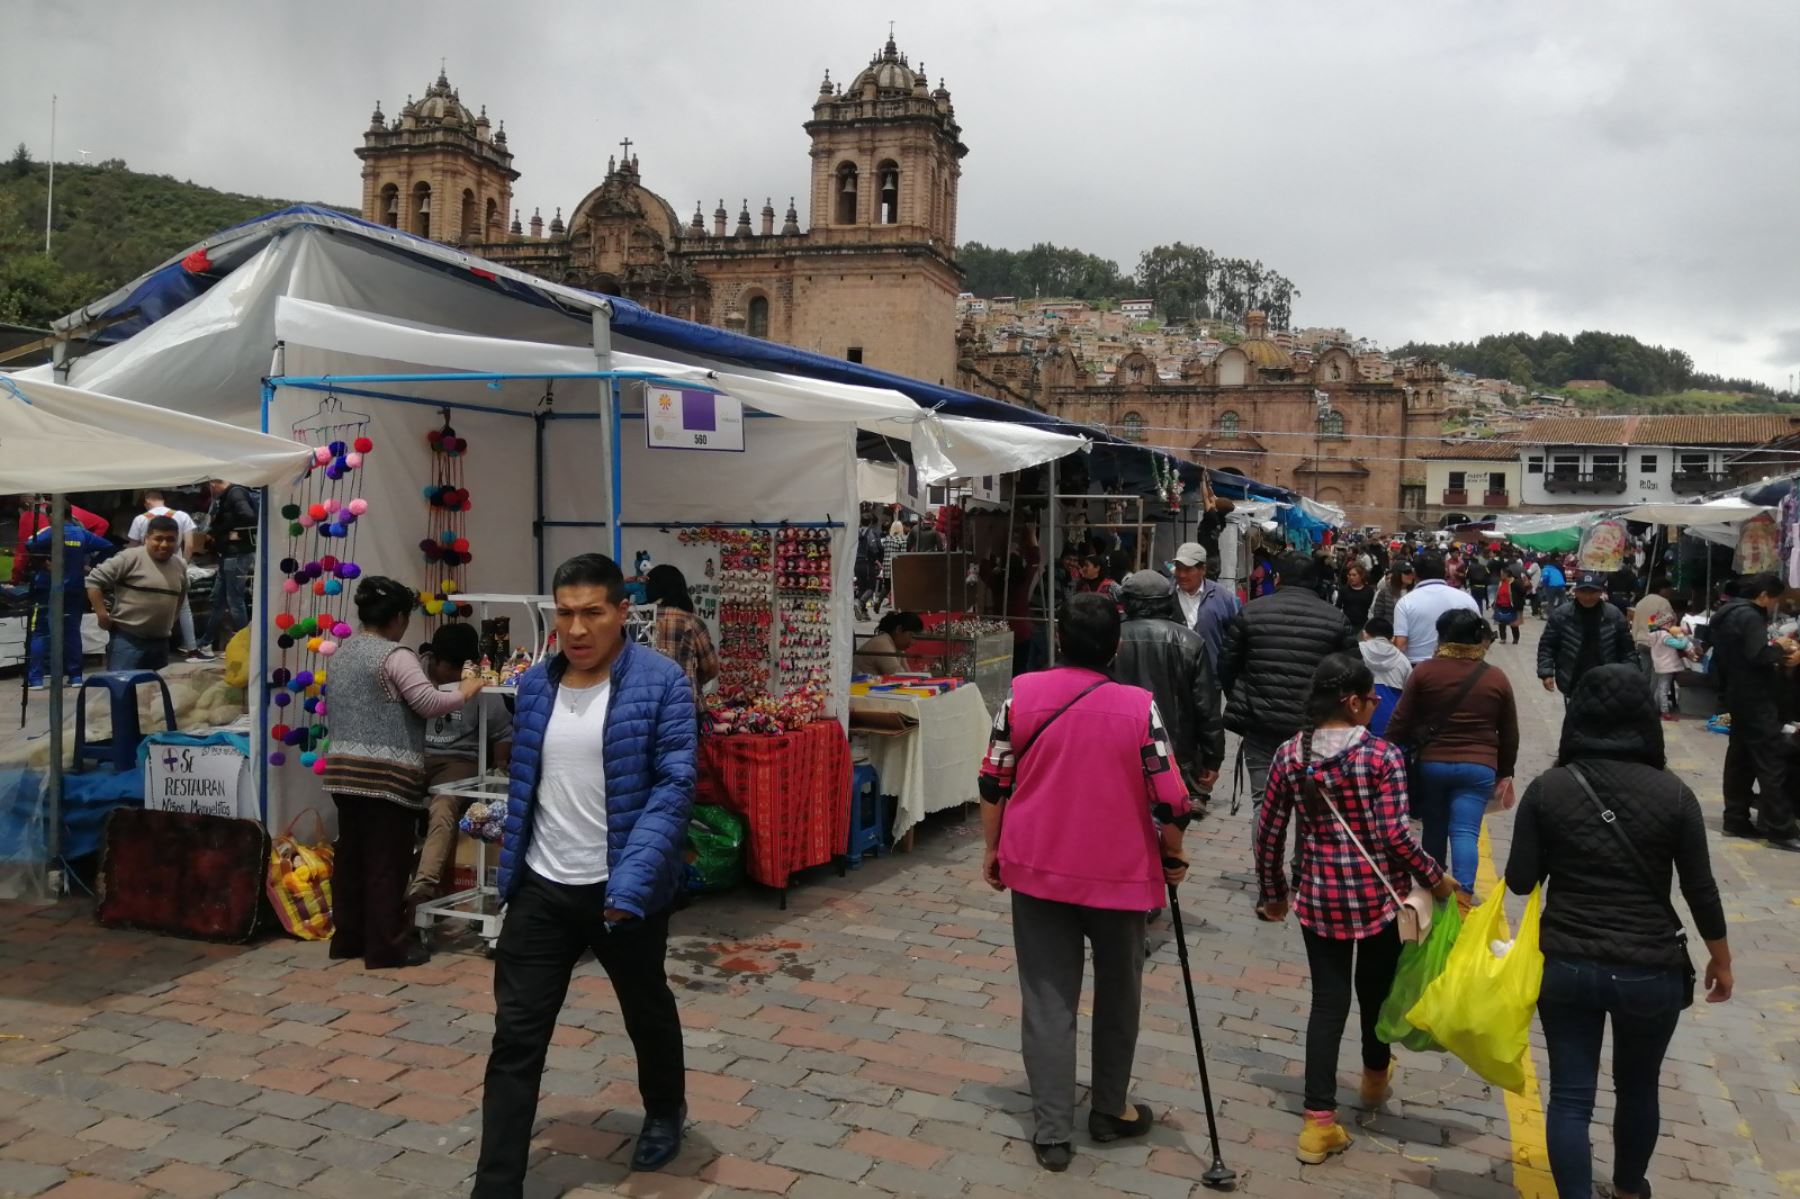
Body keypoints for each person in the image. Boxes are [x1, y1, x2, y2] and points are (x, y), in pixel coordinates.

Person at [476, 553, 698, 1190]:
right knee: (515, 1041)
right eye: (564, 614)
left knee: (645, 1007)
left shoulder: (661, 683)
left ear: (622, 613)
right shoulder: (538, 684)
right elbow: (528, 781)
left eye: (591, 613)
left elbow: (674, 785)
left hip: (623, 890)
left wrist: (631, 882)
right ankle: (496, 1185)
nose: (576, 629)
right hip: (544, 887)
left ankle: (663, 1109)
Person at [978, 592, 1191, 1173]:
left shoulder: (1022, 695)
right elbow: (1170, 795)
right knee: (1120, 993)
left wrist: (993, 848)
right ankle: (1109, 1108)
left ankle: (1051, 1130)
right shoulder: (1137, 706)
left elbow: (994, 777)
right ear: (1114, 646)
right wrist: (1174, 854)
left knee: (1047, 1000)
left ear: (1060, 640)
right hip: (1121, 875)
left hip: (1038, 865)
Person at [1504, 665, 1732, 1199]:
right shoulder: (1674, 795)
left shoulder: (1549, 788)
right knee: (1637, 1087)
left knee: (1570, 1097)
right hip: (1649, 967)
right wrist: (1721, 959)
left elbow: (1517, 881)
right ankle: (1629, 1190)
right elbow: (1701, 890)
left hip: (1566, 962)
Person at [1256, 654, 1453, 1164]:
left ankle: (1318, 1122)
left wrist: (1272, 891)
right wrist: (1437, 878)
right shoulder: (1382, 757)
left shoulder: (1289, 755)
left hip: (1319, 899)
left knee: (1328, 1002)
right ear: (1352, 701)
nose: (1374, 706)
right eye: (1370, 699)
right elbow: (1394, 836)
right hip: (1376, 900)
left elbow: (1269, 832)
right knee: (1375, 993)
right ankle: (1372, 1079)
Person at [323, 577, 485, 970]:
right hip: (385, 775)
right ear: (397, 617)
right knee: (385, 863)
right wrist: (466, 690)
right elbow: (428, 701)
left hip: (343, 770)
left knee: (352, 859)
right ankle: (387, 947)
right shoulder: (395, 656)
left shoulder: (342, 653)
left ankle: (348, 938)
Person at [1387, 609, 1519, 902]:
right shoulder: (1496, 678)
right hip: (1479, 767)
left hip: (1432, 765)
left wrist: (1384, 752)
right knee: (1465, 832)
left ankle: (1434, 888)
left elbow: (1400, 721)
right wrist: (1505, 770)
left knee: (1434, 827)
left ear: (1442, 636)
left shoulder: (1424, 671)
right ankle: (1464, 896)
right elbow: (1510, 733)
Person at [1219, 551, 1358, 807]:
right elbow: (1354, 674)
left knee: (1264, 802)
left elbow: (1227, 666)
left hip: (1261, 722)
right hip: (1314, 727)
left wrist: (1243, 698)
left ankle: (1265, 848)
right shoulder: (1336, 620)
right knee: (1310, 807)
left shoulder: (1251, 612)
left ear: (1278, 578)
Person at [407, 623, 514, 908]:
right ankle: (398, 891)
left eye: (465, 669)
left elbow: (503, 731)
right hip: (414, 758)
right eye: (453, 670)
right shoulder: (412, 675)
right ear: (436, 660)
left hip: (459, 760)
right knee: (390, 805)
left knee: (444, 803)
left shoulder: (478, 680)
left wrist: (500, 765)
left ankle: (422, 892)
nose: (459, 678)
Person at [1116, 570, 1224, 804]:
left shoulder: (1111, 636)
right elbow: (1206, 707)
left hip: (1120, 748)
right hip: (1174, 754)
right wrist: (1212, 759)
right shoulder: (1189, 641)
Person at [1710, 573, 1800, 849]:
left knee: (1740, 760)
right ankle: (1780, 829)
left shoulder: (1726, 614)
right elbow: (1758, 655)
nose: (1774, 605)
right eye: (1774, 599)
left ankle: (1735, 819)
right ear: (1763, 596)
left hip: (1737, 695)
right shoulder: (1749, 616)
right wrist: (1780, 648)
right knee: (1770, 761)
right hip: (1756, 698)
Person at [84, 515, 187, 673]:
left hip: (160, 643)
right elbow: (93, 581)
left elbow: (181, 596)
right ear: (147, 538)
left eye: (170, 539)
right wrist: (102, 615)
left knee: (153, 694)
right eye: (158, 538)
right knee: (123, 692)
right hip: (128, 641)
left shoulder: (179, 565)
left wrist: (171, 622)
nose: (164, 544)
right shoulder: (130, 557)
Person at [24, 516, 114, 688]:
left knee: (41, 631)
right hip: (74, 587)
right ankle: (75, 677)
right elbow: (108, 547)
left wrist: (44, 562)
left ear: (52, 516)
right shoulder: (82, 533)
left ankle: (36, 678)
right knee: (72, 631)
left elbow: (30, 544)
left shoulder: (49, 532)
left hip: (47, 588)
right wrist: (91, 565)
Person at [127, 491, 206, 661]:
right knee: (183, 608)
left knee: (146, 607)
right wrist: (183, 565)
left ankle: (143, 648)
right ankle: (192, 649)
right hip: (175, 567)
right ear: (163, 500)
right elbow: (190, 545)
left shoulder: (140, 519)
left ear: (147, 501)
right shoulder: (182, 516)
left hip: (146, 570)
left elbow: (132, 548)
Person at [1539, 573, 1636, 702]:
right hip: (1573, 678)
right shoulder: (1561, 615)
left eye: (1592, 592)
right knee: (1575, 719)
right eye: (1583, 591)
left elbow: (1627, 650)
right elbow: (1547, 645)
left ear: (1600, 592)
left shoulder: (1614, 615)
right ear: (1576, 592)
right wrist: (1546, 673)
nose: (1588, 596)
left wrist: (1631, 677)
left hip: (1607, 680)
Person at [643, 564, 718, 703]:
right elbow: (711, 667)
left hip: (646, 702)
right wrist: (693, 678)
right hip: (683, 702)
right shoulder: (692, 622)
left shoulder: (639, 619)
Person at [1393, 552, 1480, 665]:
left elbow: (1401, 645)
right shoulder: (1467, 599)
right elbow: (1479, 636)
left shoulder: (1405, 602)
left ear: (1415, 574)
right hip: (1461, 666)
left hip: (1418, 667)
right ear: (1445, 571)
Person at [201, 478, 257, 649]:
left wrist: (220, 530)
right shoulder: (230, 495)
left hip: (236, 553)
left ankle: (248, 645)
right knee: (218, 599)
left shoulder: (235, 493)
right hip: (229, 553)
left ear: (214, 484)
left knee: (234, 600)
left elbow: (248, 516)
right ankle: (205, 641)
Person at [1170, 541, 1239, 670]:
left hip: (1212, 678)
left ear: (1203, 570)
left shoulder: (1222, 598)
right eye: (1179, 568)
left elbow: (1235, 638)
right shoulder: (1167, 596)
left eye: (1188, 569)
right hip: (1175, 676)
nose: (1182, 575)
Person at [1358, 616, 1411, 736]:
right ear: (1392, 638)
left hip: (1359, 717)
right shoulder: (1403, 660)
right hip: (1390, 721)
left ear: (1365, 634)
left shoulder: (1356, 651)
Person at [855, 610, 923, 675]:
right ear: (899, 629)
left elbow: (907, 674)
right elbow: (898, 676)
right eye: (912, 636)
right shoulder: (882, 644)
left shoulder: (897, 645)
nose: (913, 642)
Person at [1369, 559, 1414, 630]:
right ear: (1397, 574)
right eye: (1406, 572)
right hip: (1390, 633)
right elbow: (1378, 617)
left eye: (1411, 572)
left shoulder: (1415, 592)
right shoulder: (1384, 592)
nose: (1410, 575)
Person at [1336, 562, 1375, 633]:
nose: (1351, 577)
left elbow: (1371, 608)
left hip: (1362, 625)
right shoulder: (1343, 590)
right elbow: (1338, 607)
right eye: (1349, 575)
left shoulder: (1369, 591)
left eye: (1354, 575)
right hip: (1346, 624)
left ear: (1361, 576)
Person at [1492, 568, 1521, 645]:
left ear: (1506, 574)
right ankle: (1503, 638)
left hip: (1510, 606)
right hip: (1501, 604)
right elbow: (1497, 592)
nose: (1500, 575)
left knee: (1513, 623)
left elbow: (1520, 593)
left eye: (1502, 573)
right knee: (1501, 622)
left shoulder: (1514, 582)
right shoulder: (1501, 582)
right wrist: (1495, 602)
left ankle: (1516, 638)